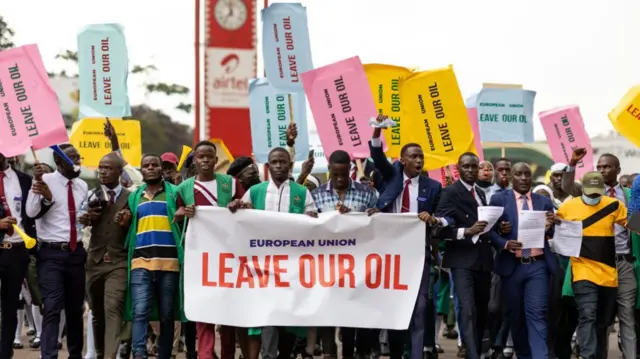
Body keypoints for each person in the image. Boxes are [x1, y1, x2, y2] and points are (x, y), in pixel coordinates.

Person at [228, 147, 317, 359]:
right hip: (263, 269)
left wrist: (313, 219)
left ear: (289, 165)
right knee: (267, 318)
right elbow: (241, 219)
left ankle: (285, 353)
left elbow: (314, 224)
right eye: (274, 162)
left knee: (287, 322)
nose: (278, 166)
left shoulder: (302, 193)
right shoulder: (256, 191)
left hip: (292, 269)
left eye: (282, 162)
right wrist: (235, 207)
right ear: (268, 166)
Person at [369, 115, 443, 359]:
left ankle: (417, 354)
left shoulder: (432, 187)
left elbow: (440, 217)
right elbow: (378, 156)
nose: (419, 160)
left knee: (420, 307)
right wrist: (378, 130)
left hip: (418, 253)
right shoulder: (392, 176)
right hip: (390, 252)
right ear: (402, 160)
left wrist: (432, 219)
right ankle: (396, 352)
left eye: (421, 156)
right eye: (414, 156)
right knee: (394, 305)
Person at [562, 149, 638, 359]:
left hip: (621, 264)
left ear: (618, 169)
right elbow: (567, 188)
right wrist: (572, 164)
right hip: (589, 266)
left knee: (621, 317)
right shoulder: (584, 194)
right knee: (592, 316)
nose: (603, 170)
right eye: (600, 167)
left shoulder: (626, 197)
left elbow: (635, 225)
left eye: (607, 167)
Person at [175, 141, 245, 359]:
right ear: (194, 160)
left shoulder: (231, 184)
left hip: (228, 258)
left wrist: (239, 205)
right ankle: (205, 355)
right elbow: (176, 215)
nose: (205, 160)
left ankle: (227, 354)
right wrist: (183, 212)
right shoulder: (184, 188)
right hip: (200, 260)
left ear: (216, 160)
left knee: (226, 312)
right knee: (203, 311)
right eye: (201, 157)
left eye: (209, 156)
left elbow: (247, 208)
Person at [434, 152, 507, 359]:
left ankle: (477, 351)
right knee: (467, 311)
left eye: (474, 167)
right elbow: (438, 229)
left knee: (483, 312)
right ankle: (473, 354)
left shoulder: (482, 194)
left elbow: (485, 227)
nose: (470, 170)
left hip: (484, 261)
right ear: (459, 169)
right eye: (466, 167)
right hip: (461, 260)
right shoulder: (450, 192)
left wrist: (500, 228)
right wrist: (466, 232)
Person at [310, 150, 379, 359]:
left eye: (343, 174)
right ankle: (329, 351)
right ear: (329, 170)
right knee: (327, 309)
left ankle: (357, 351)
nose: (340, 179)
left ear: (350, 169)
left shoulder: (366, 193)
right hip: (327, 264)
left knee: (356, 310)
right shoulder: (316, 195)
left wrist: (372, 216)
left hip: (358, 263)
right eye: (335, 174)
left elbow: (375, 225)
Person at [118, 154, 186, 359]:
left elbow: (187, 221)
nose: (150, 168)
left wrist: (184, 212)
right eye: (145, 165)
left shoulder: (175, 193)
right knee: (140, 312)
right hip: (140, 263)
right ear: (142, 170)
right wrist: (123, 220)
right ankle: (139, 354)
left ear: (160, 169)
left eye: (154, 165)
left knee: (167, 315)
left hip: (170, 265)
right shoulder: (134, 196)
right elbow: (128, 225)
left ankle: (165, 354)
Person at [488, 162, 557, 359]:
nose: (524, 178)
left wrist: (549, 226)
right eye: (519, 174)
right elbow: (489, 232)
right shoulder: (498, 199)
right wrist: (504, 243)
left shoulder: (542, 201)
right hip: (511, 267)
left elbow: (550, 233)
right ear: (511, 177)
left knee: (537, 315)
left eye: (527, 174)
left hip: (537, 266)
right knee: (516, 318)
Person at [25, 144, 88, 359]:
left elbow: (82, 215)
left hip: (76, 253)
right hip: (51, 254)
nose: (77, 161)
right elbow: (31, 212)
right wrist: (46, 197)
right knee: (52, 307)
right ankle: (49, 355)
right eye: (72, 158)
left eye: (78, 157)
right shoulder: (44, 180)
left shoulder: (82, 185)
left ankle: (75, 354)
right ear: (59, 162)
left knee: (75, 309)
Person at [79, 153, 131, 359]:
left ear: (119, 172)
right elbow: (79, 221)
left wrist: (127, 222)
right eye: (100, 167)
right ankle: (101, 353)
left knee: (113, 309)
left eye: (108, 168)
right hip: (94, 262)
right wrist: (85, 219)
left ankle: (110, 355)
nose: (102, 171)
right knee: (97, 313)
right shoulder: (91, 196)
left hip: (118, 262)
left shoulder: (131, 197)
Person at [0, 152, 37, 359]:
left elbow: (33, 214)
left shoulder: (24, 180)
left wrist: (44, 193)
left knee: (10, 306)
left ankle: (5, 352)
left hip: (16, 252)